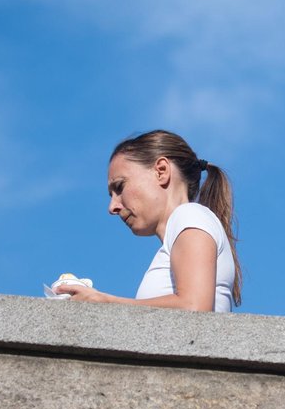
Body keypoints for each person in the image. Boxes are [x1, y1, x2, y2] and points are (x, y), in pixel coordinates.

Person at [55, 130, 242, 312]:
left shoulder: (189, 215)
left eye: (120, 187)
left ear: (161, 171)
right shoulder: (185, 224)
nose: (112, 207)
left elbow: (195, 307)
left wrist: (106, 302)